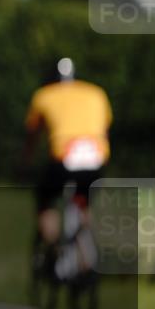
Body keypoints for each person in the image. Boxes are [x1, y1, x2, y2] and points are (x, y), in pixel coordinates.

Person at [23, 58, 112, 247]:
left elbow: (33, 135)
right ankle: (91, 248)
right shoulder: (96, 93)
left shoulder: (44, 95)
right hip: (96, 157)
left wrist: (26, 162)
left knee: (45, 198)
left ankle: (51, 244)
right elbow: (104, 130)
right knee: (85, 201)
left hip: (63, 157)